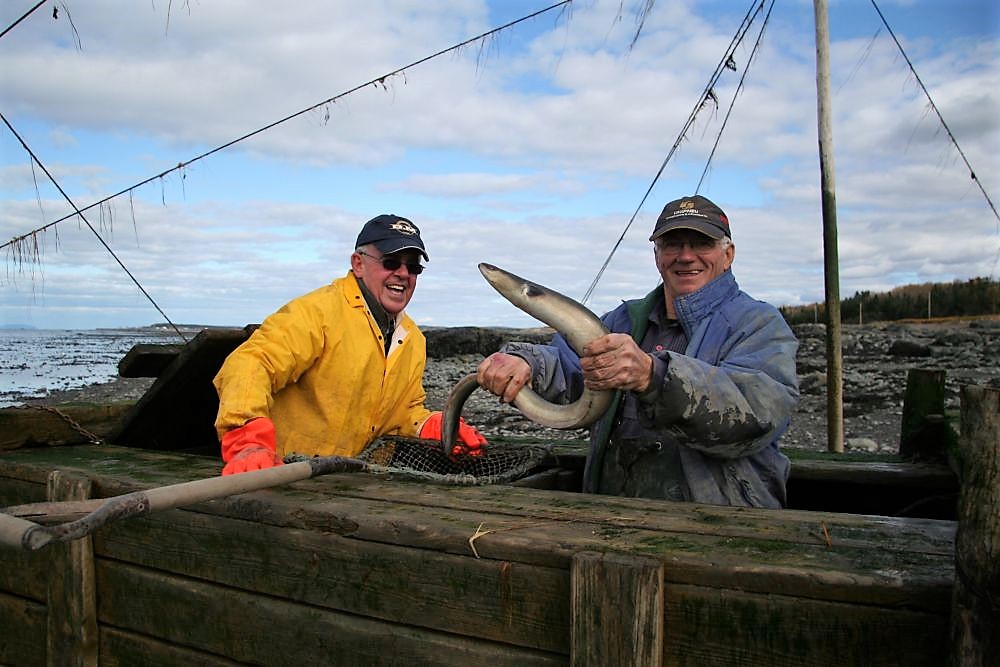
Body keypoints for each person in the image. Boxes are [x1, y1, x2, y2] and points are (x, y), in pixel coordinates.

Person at [477, 195, 799, 508]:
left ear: (728, 254)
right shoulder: (623, 320)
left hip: (720, 526)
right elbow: (568, 364)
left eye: (701, 243)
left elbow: (757, 410)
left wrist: (653, 376)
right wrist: (526, 362)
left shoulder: (759, 324)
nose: (686, 256)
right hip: (615, 514)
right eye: (673, 244)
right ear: (657, 255)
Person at [213, 214, 487, 475]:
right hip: (283, 474)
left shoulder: (413, 338)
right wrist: (247, 442)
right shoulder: (317, 313)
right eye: (391, 262)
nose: (403, 273)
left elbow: (403, 412)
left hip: (356, 481)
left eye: (413, 266)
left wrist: (433, 425)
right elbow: (250, 363)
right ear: (358, 263)